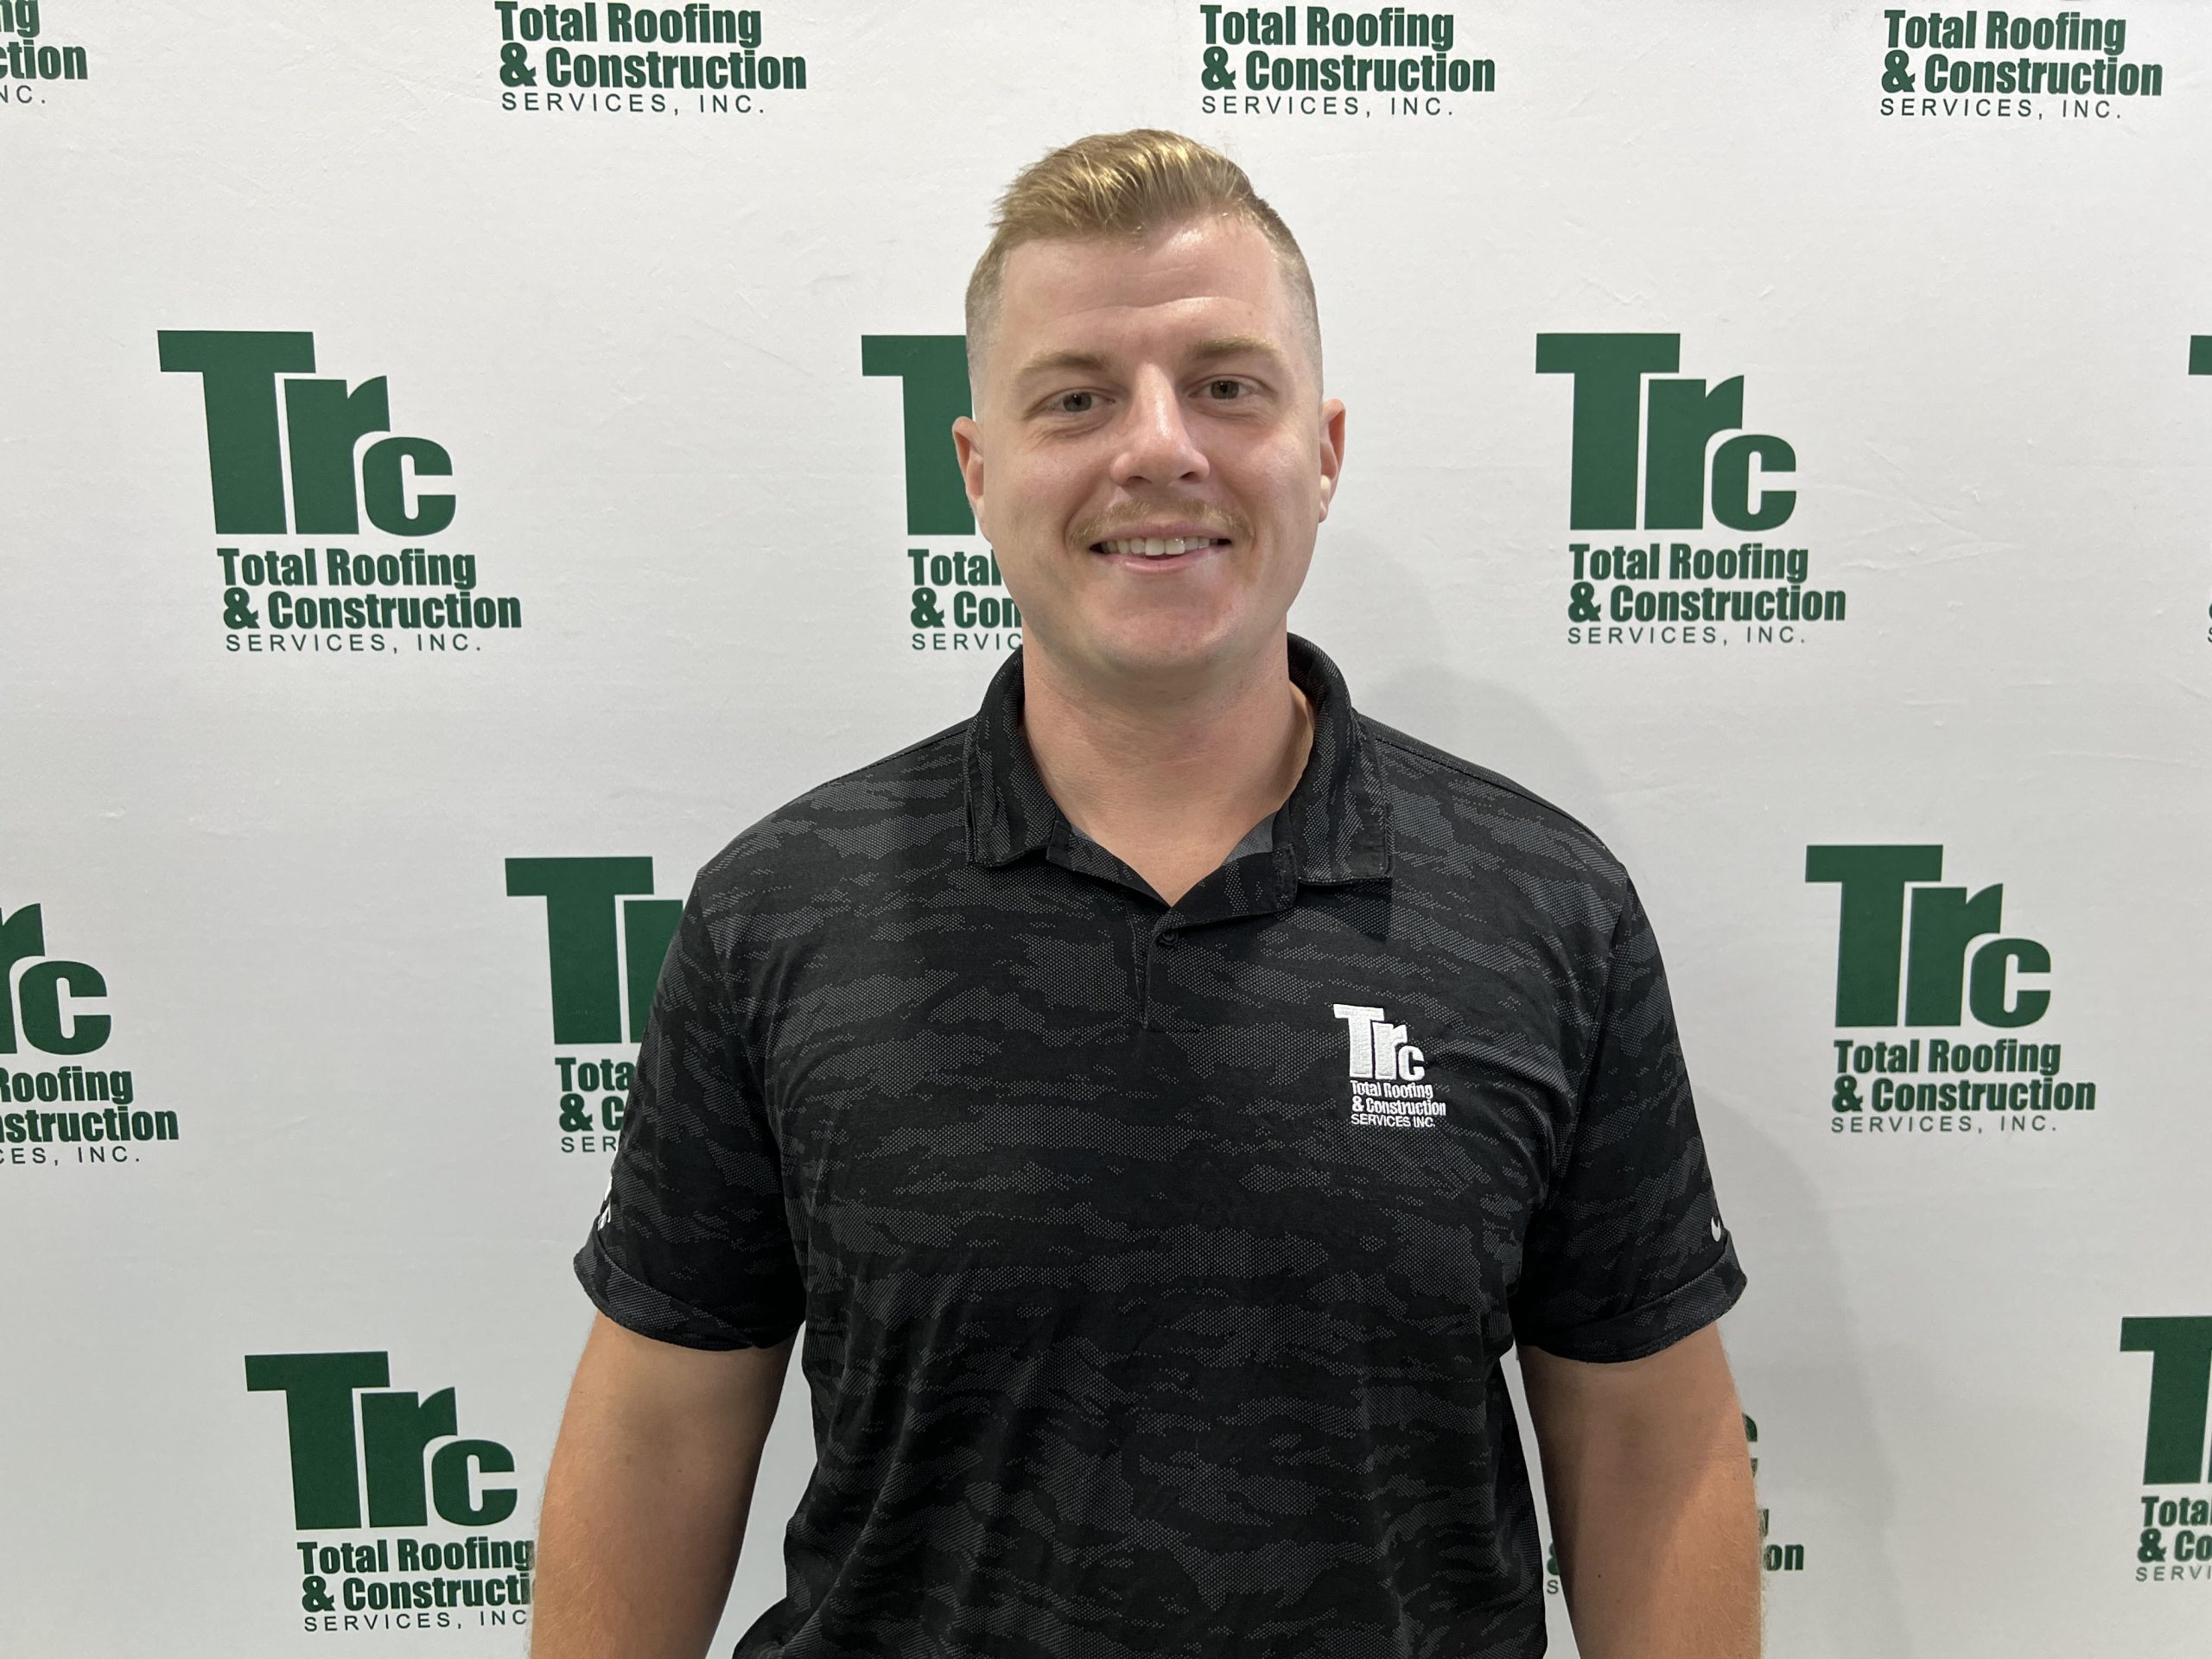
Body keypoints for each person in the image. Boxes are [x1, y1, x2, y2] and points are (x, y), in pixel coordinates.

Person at [534, 129, 1758, 1659]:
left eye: (1229, 385)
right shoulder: (783, 912)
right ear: (979, 471)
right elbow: (657, 1432)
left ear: (1324, 446)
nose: (1159, 447)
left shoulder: (1543, 906)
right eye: (1078, 397)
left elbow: (1652, 1447)